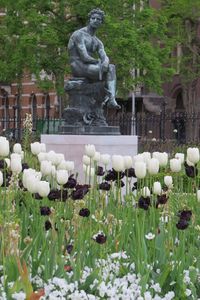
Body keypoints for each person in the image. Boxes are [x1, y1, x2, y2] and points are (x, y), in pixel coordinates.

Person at [68, 8, 120, 109]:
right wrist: (99, 62)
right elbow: (84, 57)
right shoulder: (79, 34)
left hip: (89, 66)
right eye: (93, 18)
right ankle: (108, 97)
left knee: (111, 67)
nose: (96, 20)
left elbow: (104, 55)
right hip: (78, 66)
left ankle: (112, 99)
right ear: (89, 20)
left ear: (101, 22)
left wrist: (105, 62)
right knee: (104, 69)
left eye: (99, 19)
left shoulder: (98, 41)